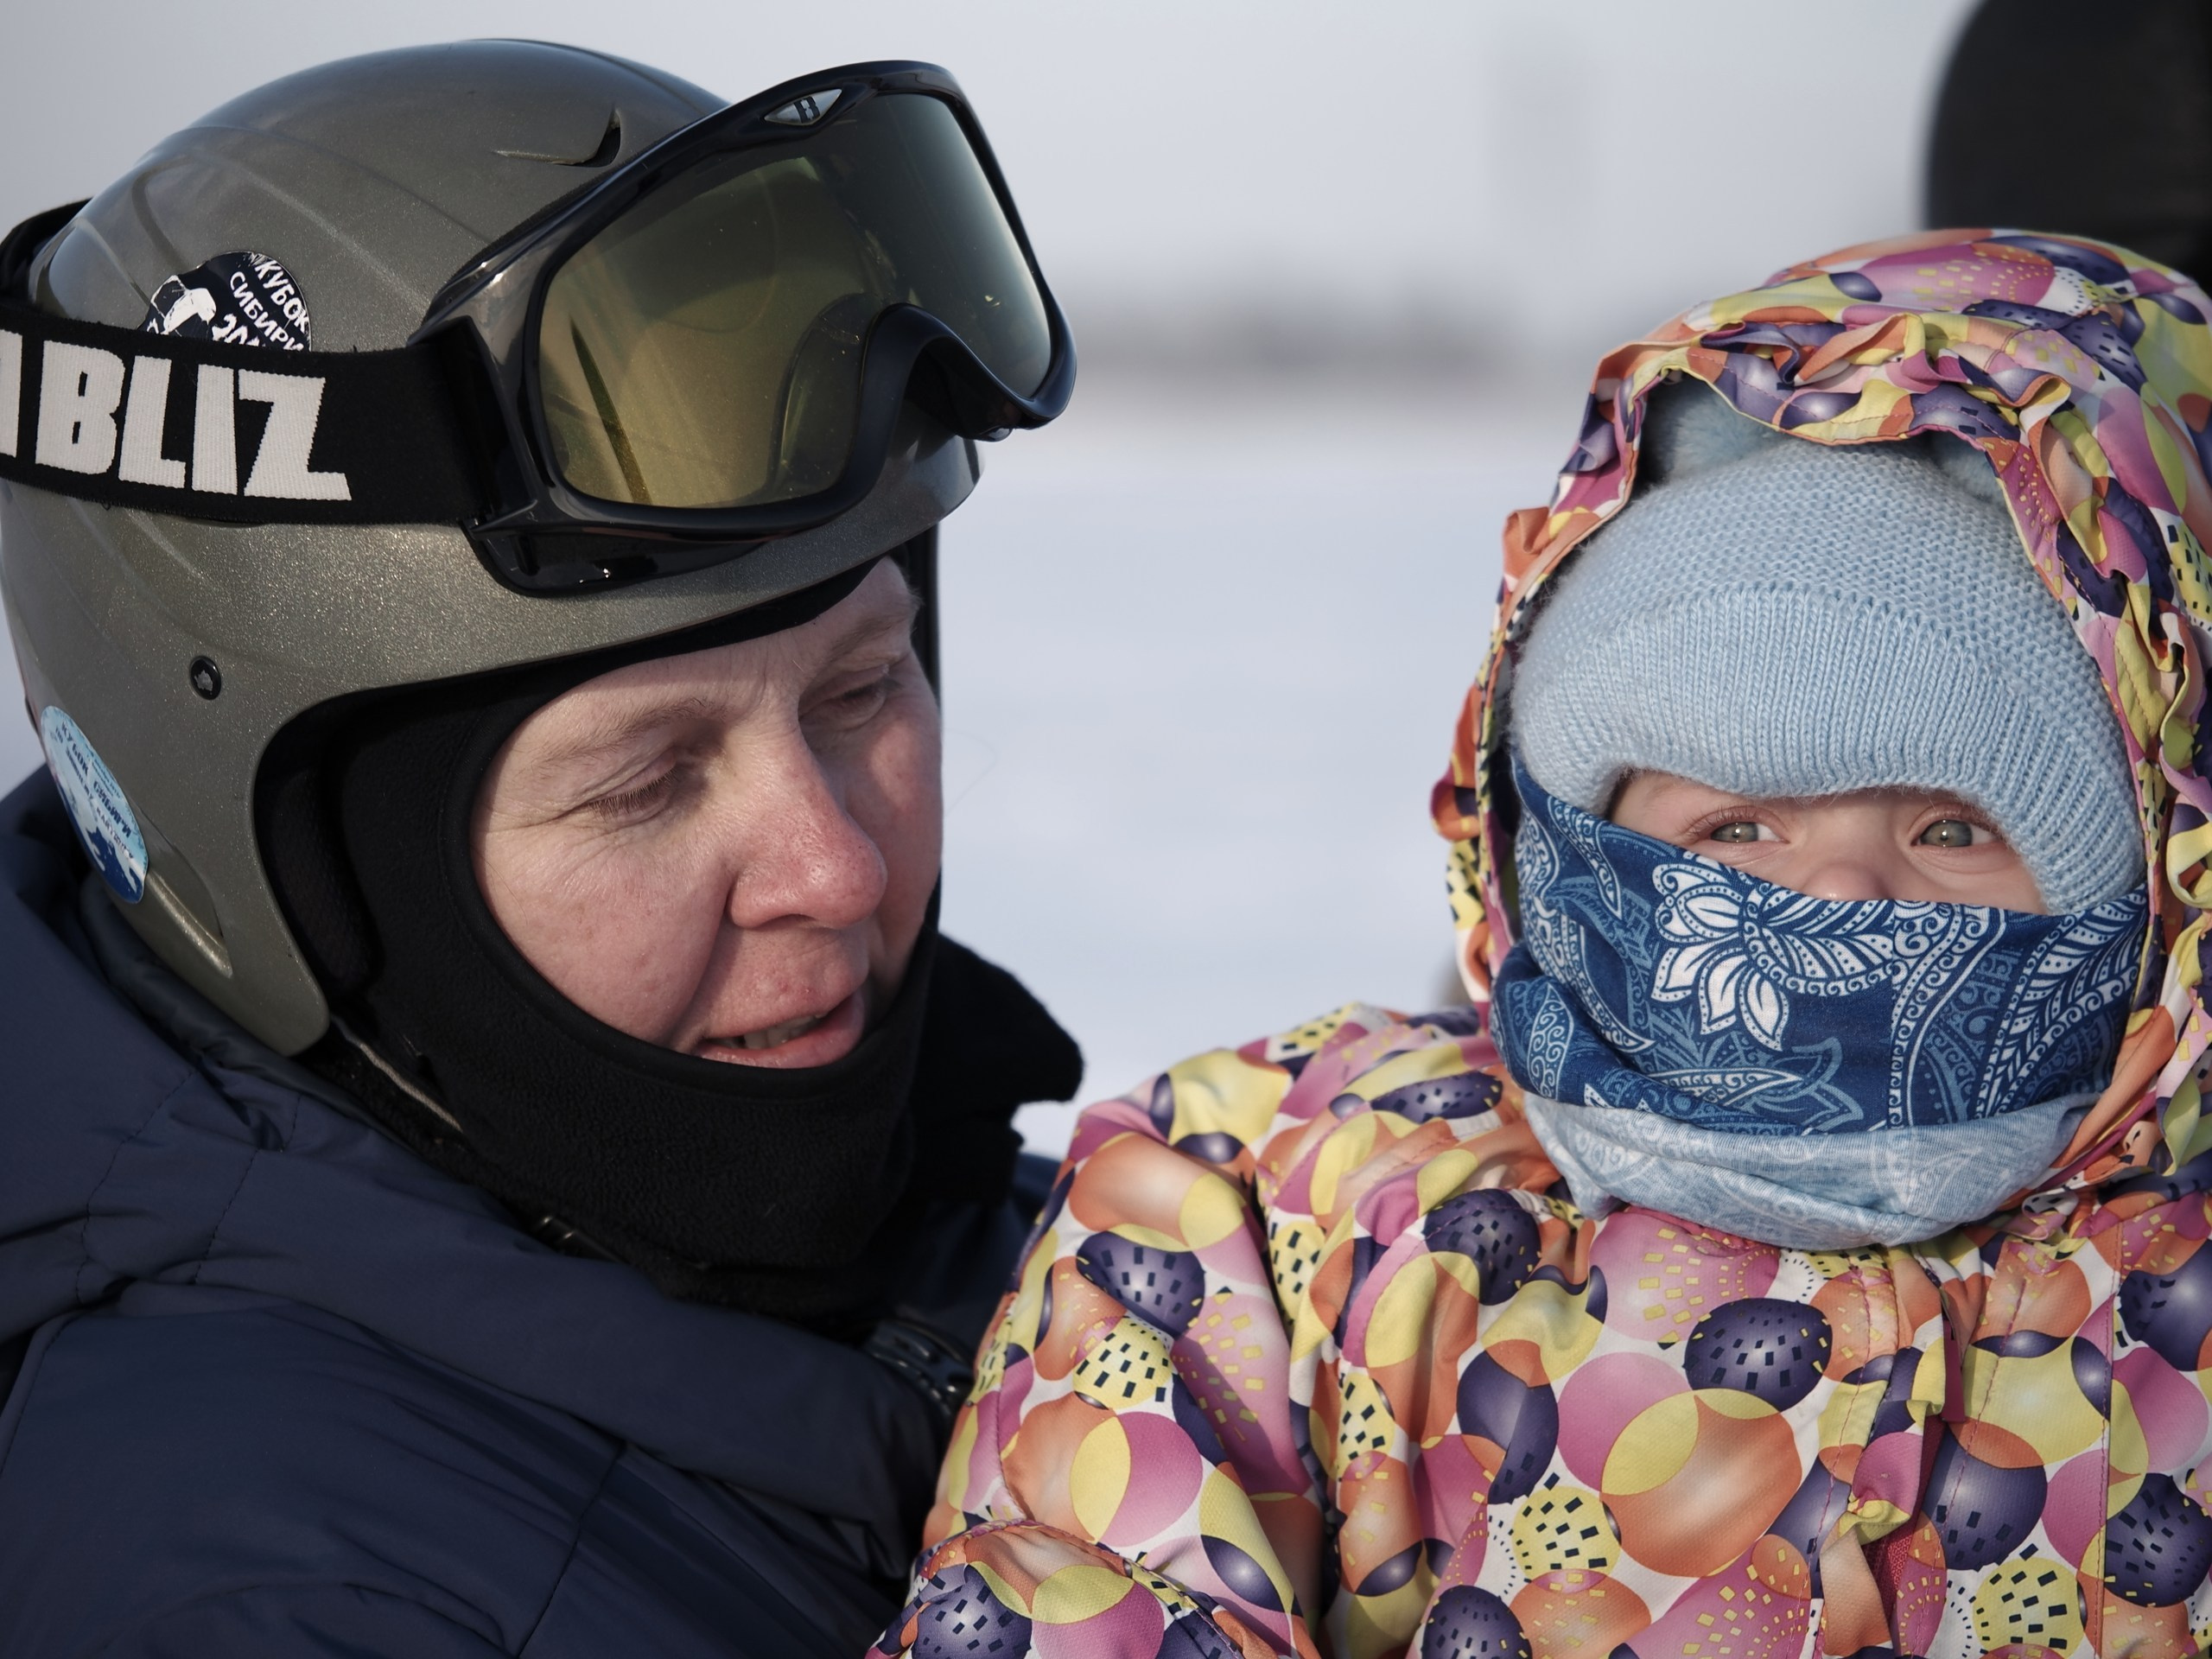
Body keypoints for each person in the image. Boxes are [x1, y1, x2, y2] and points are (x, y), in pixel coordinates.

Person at [880, 232, 2212, 1657]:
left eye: (1953, 829)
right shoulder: (1300, 1202)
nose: (1844, 899)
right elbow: (1082, 1591)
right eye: (1735, 836)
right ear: (1570, 848)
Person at [0, 40, 1084, 1656]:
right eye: (646, 781)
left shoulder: (958, 1229)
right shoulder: (277, 1600)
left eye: (862, 687)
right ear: (310, 877)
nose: (837, 869)